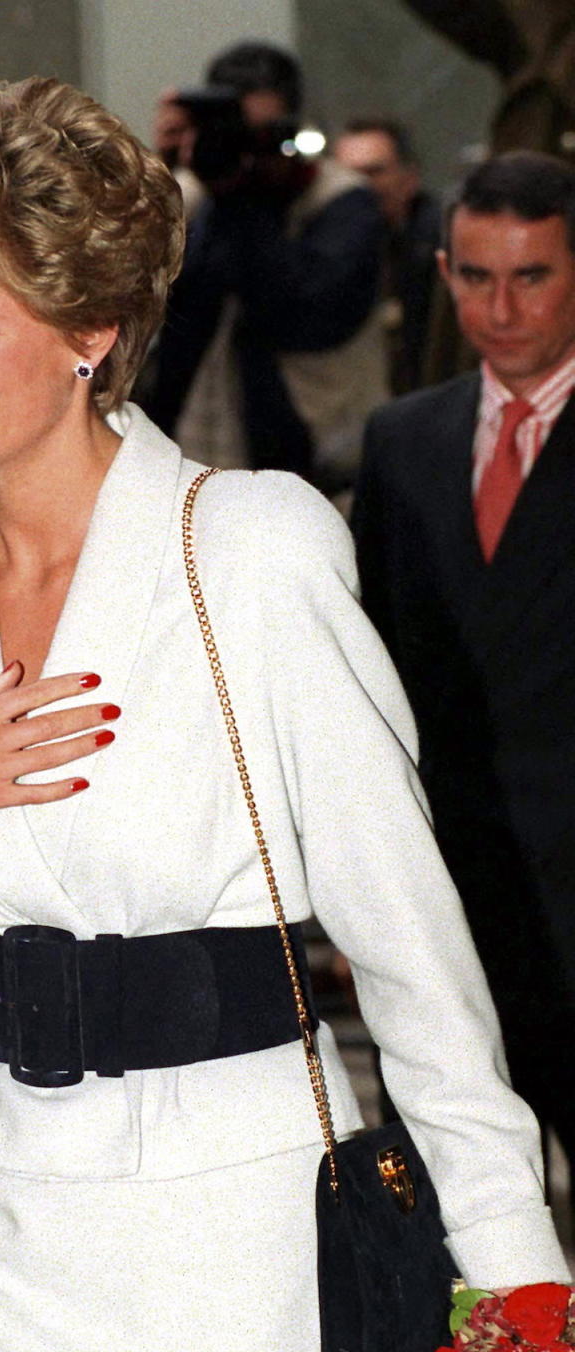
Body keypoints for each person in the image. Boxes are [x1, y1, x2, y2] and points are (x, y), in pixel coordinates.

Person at [0, 81, 568, 1352]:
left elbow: (408, 936)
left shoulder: (252, 549)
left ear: (92, 331)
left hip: (229, 1249)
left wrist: (516, 1280)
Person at [352, 148, 575, 1206]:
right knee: (442, 1217)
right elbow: (376, 677)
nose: (501, 307)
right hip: (446, 904)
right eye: (476, 276)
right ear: (443, 273)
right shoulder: (404, 441)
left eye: (531, 275)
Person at [147, 41, 388, 492]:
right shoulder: (194, 200)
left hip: (320, 475)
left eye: (265, 135)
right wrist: (160, 167)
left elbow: (304, 315)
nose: (251, 152)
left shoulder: (343, 201)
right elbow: (129, 293)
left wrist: (238, 195)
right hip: (198, 466)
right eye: (237, 134)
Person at [333, 116, 442, 393]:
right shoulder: (320, 254)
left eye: (374, 172)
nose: (358, 185)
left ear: (409, 179)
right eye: (346, 174)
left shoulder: (443, 251)